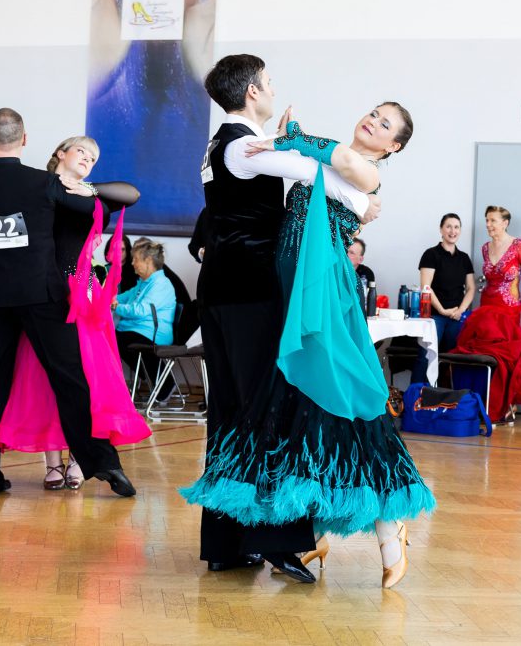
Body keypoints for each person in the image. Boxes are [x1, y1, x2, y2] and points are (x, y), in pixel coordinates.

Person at [182, 96, 436, 590]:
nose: (373, 121)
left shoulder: (364, 170)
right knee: (306, 406)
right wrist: (289, 143)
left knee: (341, 396)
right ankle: (309, 530)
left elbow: (340, 162)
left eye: (385, 124)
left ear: (394, 146)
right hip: (291, 289)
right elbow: (318, 169)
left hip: (322, 291)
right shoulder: (334, 162)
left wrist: (292, 138)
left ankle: (388, 526)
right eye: (373, 113)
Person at [0, 110, 136, 497]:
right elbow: (101, 210)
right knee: (71, 380)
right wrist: (89, 191)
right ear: (24, 140)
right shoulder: (46, 184)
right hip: (41, 296)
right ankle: (104, 463)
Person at [450, 206, 521, 420]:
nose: (488, 225)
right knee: (484, 354)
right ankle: (484, 401)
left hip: (508, 309)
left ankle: (507, 403)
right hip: (486, 308)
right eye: (487, 220)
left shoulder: (518, 245)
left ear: (505, 223)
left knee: (506, 356)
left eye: (493, 220)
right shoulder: (485, 248)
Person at [410, 213, 475, 383]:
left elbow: (471, 288)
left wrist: (460, 311)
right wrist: (442, 310)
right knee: (426, 355)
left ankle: (446, 396)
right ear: (441, 230)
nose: (453, 231)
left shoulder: (464, 258)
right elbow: (426, 287)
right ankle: (415, 396)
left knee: (454, 358)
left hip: (457, 316)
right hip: (434, 315)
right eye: (448, 226)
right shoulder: (431, 254)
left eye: (456, 227)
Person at [113, 239, 177, 395]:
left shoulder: (161, 284)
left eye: (135, 259)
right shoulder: (143, 283)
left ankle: (165, 384)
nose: (132, 263)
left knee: (115, 339)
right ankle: (157, 381)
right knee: (112, 338)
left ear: (148, 261)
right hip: (139, 331)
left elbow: (140, 310)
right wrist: (107, 299)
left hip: (153, 334)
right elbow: (122, 297)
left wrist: (115, 306)